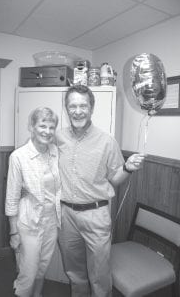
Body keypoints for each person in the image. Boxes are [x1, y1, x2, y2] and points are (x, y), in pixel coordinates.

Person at [56, 85, 145, 297]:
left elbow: (115, 179)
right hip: (65, 215)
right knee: (74, 271)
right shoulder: (57, 138)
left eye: (83, 105)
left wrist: (127, 168)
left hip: (96, 215)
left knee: (100, 273)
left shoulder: (107, 141)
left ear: (91, 108)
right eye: (73, 106)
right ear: (67, 109)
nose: (78, 111)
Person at [5, 107, 61, 297]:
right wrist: (13, 232)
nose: (47, 131)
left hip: (51, 222)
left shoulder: (55, 152)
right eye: (42, 125)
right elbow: (12, 197)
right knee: (27, 274)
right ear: (32, 126)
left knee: (43, 267)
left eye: (51, 127)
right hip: (29, 223)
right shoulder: (18, 157)